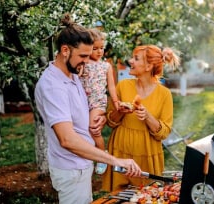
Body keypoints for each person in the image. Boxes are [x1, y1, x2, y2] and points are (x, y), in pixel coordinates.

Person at [34, 13, 141, 204]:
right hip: (70, 169)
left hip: (82, 164)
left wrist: (99, 119)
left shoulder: (73, 73)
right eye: (83, 56)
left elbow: (83, 109)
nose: (87, 61)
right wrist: (114, 160)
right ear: (65, 50)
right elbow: (67, 139)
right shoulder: (52, 85)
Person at [102, 45, 180, 191]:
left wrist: (147, 117)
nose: (130, 61)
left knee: (146, 196)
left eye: (136, 58)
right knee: (118, 198)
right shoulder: (123, 86)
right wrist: (120, 111)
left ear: (148, 66)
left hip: (147, 155)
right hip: (119, 151)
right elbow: (110, 122)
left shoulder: (164, 94)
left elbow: (164, 133)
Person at [78, 28, 119, 175]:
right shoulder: (82, 63)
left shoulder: (106, 66)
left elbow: (111, 86)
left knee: (93, 128)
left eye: (101, 48)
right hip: (82, 102)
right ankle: (88, 155)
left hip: (97, 103)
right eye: (95, 48)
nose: (99, 51)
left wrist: (115, 102)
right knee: (82, 131)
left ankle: (102, 156)